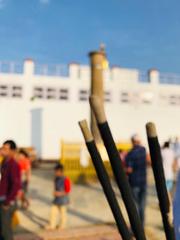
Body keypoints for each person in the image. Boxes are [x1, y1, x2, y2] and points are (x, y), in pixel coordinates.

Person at [0, 140, 21, 240]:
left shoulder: (13, 165)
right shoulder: (4, 163)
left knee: (6, 231)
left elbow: (16, 185)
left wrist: (7, 202)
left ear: (12, 151)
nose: (2, 150)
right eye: (2, 148)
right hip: (2, 199)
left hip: (7, 203)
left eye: (5, 149)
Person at [125, 134, 148, 225]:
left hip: (134, 182)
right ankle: (142, 226)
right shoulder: (143, 150)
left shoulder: (130, 154)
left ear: (132, 142)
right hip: (143, 182)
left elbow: (129, 170)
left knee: (135, 206)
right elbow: (148, 161)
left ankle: (136, 227)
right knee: (142, 206)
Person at [45, 163, 71, 230]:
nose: (55, 173)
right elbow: (55, 188)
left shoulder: (66, 179)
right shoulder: (56, 179)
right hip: (56, 199)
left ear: (61, 171)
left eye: (57, 171)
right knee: (53, 212)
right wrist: (54, 192)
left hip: (63, 199)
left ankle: (62, 226)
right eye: (55, 171)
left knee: (63, 214)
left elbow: (68, 191)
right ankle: (52, 225)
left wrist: (59, 193)